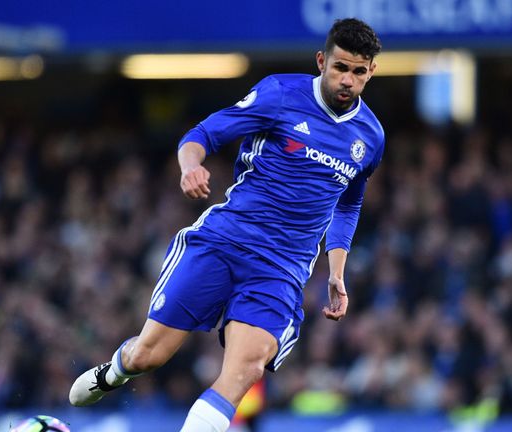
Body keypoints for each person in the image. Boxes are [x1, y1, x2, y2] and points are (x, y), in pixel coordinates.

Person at [69, 17, 384, 432]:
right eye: (340, 68)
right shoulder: (280, 94)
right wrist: (190, 167)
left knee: (244, 371)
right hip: (224, 241)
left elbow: (348, 203)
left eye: (358, 72)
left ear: (371, 72)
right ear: (322, 60)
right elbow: (204, 133)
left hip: (281, 269)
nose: (348, 80)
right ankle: (116, 370)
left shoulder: (371, 137)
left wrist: (337, 271)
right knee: (149, 356)